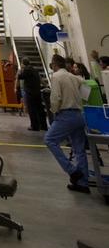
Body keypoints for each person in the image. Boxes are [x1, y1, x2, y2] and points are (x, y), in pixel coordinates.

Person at [44, 53, 91, 194]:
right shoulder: (75, 77)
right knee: (79, 150)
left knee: (49, 140)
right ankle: (83, 183)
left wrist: (54, 111)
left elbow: (56, 97)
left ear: (54, 64)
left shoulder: (57, 76)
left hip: (65, 115)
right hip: (79, 115)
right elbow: (86, 93)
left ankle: (72, 171)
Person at [16, 58, 47, 131]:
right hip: (37, 92)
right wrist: (45, 85)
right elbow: (40, 79)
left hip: (30, 93)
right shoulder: (35, 70)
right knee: (40, 109)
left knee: (32, 110)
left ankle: (35, 126)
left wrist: (20, 71)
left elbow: (19, 77)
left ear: (23, 64)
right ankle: (43, 126)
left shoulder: (26, 70)